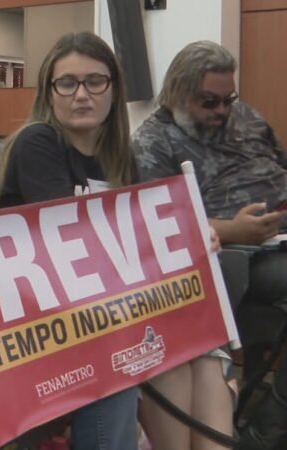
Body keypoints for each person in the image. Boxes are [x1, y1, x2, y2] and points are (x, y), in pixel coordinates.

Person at [132, 40, 287, 450]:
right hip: (235, 253)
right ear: (178, 93)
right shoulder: (153, 142)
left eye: (228, 99)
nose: (222, 110)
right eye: (209, 102)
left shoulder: (245, 115)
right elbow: (159, 228)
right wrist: (234, 230)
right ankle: (266, 432)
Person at [0, 31, 140, 450]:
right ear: (49, 92)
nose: (81, 94)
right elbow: (68, 245)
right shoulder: (37, 142)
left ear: (114, 90)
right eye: (68, 83)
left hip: (101, 307)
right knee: (123, 358)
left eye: (95, 81)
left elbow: (140, 236)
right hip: (34, 314)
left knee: (196, 354)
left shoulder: (121, 156)